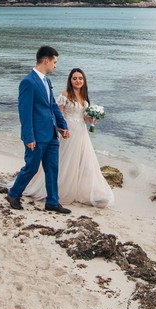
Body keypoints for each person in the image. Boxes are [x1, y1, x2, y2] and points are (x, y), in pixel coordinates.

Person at [24, 68, 115, 208]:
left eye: (80, 78)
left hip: (81, 132)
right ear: (70, 80)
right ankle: (57, 191)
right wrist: (61, 129)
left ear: (84, 80)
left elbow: (83, 116)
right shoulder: (65, 95)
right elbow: (56, 114)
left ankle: (79, 189)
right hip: (68, 132)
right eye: (75, 78)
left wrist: (92, 119)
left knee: (82, 162)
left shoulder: (84, 96)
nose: (78, 81)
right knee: (64, 161)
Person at [6, 46, 71, 214]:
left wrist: (63, 126)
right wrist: (28, 137)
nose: (55, 66)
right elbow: (24, 112)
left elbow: (52, 107)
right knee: (31, 168)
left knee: (52, 169)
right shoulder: (28, 82)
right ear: (46, 61)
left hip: (51, 135)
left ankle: (52, 202)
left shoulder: (47, 81)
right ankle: (13, 194)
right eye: (55, 62)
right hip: (36, 136)